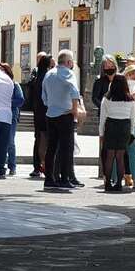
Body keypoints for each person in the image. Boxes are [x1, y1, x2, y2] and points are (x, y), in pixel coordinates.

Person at [42, 50, 86, 189]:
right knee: (66, 148)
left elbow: (44, 96)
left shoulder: (49, 74)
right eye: (71, 61)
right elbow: (74, 91)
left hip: (51, 114)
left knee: (51, 148)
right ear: (68, 62)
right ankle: (64, 178)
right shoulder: (68, 73)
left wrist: (51, 105)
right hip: (65, 114)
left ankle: (49, 178)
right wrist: (74, 109)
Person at [99, 75, 135, 192]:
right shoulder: (130, 99)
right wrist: (132, 133)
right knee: (120, 157)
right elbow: (132, 118)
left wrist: (101, 134)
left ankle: (108, 183)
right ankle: (119, 183)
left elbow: (102, 118)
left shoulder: (107, 99)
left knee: (109, 156)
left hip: (111, 126)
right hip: (124, 127)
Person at [92, 55, 120, 179]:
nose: (109, 67)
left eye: (111, 65)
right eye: (107, 65)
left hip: (119, 115)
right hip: (105, 116)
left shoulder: (119, 80)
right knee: (104, 145)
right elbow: (95, 98)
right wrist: (104, 107)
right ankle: (103, 172)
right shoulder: (99, 81)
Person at [1, 63, 25, 176]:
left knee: (10, 141)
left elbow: (20, 100)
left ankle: (12, 166)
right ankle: (1, 165)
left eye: (3, 71)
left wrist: (6, 102)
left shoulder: (15, 85)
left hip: (11, 115)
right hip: (0, 114)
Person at [29, 52, 50, 178]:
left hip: (38, 112)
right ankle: (43, 165)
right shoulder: (46, 77)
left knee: (39, 139)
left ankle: (38, 166)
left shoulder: (38, 77)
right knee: (44, 139)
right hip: (46, 112)